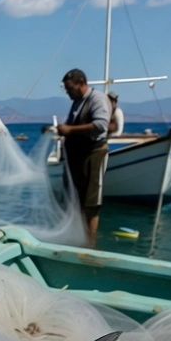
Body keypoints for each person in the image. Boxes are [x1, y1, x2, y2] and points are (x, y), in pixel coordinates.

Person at [57, 68, 111, 247]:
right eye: (66, 89)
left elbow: (101, 125)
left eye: (70, 88)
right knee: (76, 202)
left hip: (93, 155)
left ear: (81, 83)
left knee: (91, 204)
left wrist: (70, 130)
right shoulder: (76, 102)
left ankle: (90, 246)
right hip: (77, 158)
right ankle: (80, 242)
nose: (68, 93)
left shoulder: (97, 99)